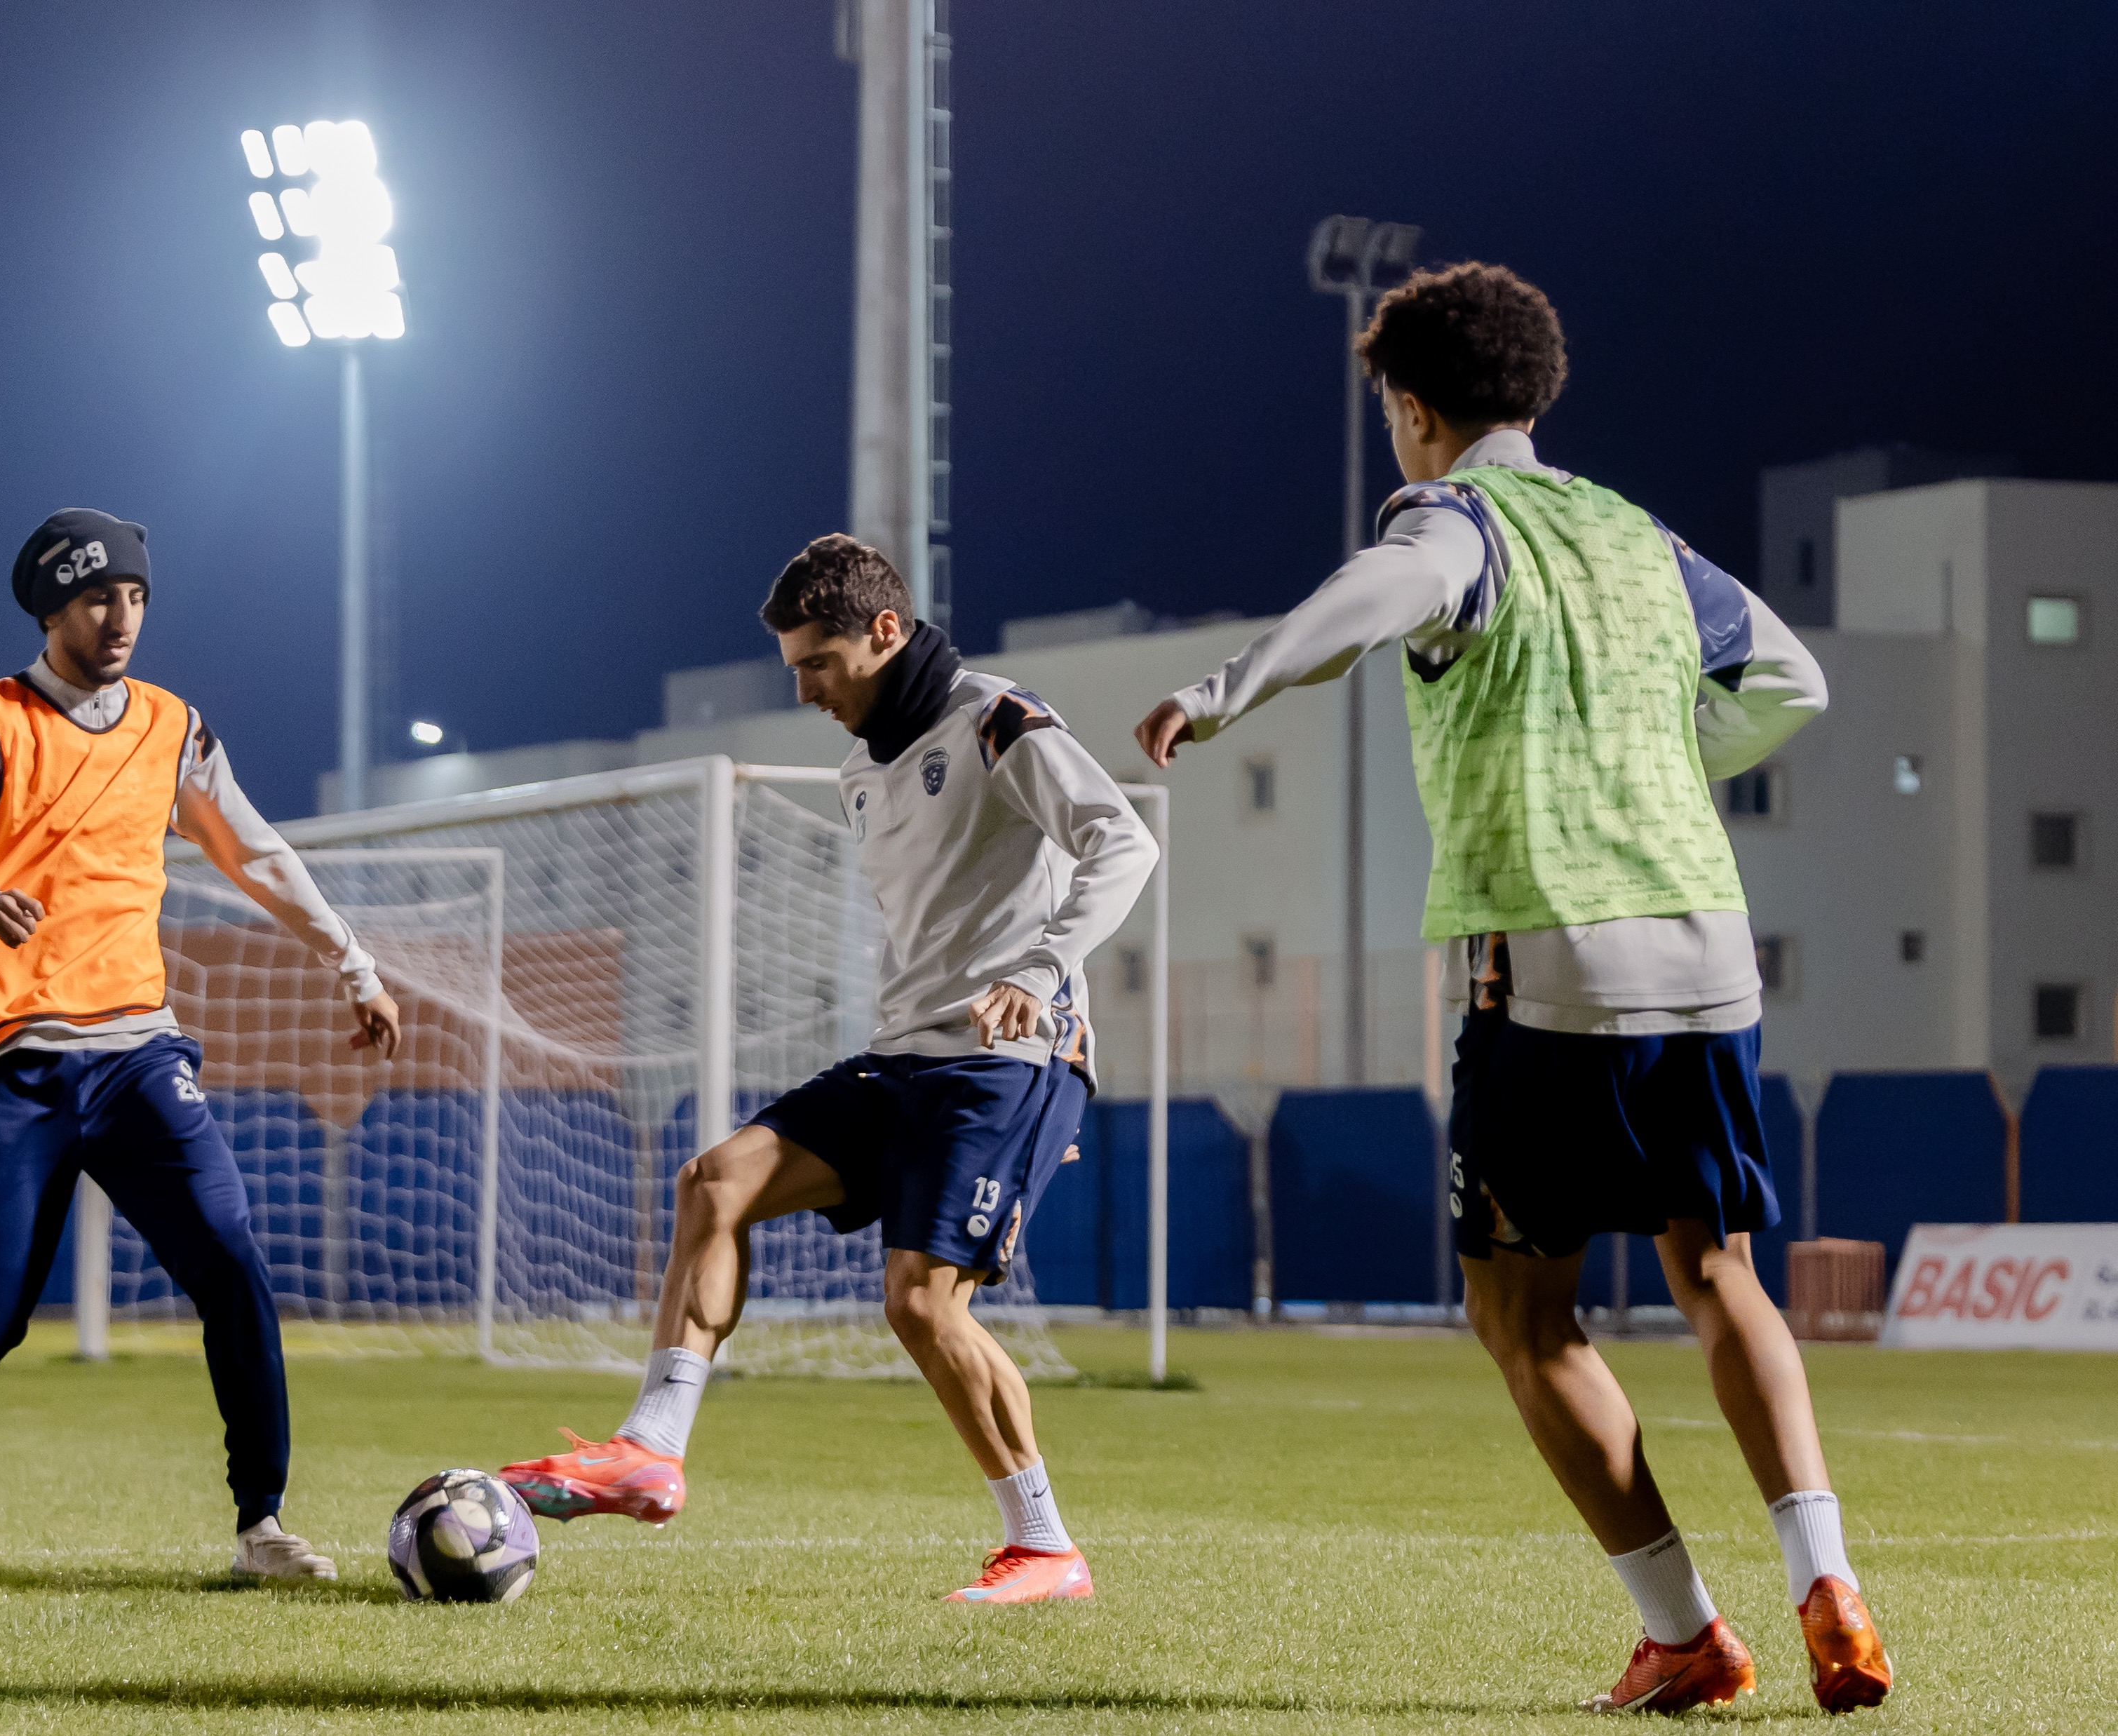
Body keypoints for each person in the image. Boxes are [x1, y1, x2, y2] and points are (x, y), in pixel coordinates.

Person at [1135, 263, 1890, 1713]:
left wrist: (1224, 686)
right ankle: (1823, 1576)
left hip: (1548, 959)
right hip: (1707, 950)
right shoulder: (1636, 534)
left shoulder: (1450, 521)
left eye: (1390, 411)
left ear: (1411, 411)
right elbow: (1791, 680)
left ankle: (1680, 1627)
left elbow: (1381, 594)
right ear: (1533, 396)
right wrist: (1660, 762)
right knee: (1719, 1273)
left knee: (1523, 1316)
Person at [497, 534, 1159, 1602]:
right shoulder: (862, 768)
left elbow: (1124, 844)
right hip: (905, 1060)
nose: (804, 689)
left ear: (884, 634)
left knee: (920, 1305)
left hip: (1007, 1058)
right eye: (793, 668)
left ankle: (1044, 1546)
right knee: (716, 1181)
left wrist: (1041, 987)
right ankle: (650, 1450)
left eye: (817, 664)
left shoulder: (999, 721)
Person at [0, 508, 402, 1581]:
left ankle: (261, 1527)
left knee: (233, 1265)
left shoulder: (171, 727)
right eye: (97, 598)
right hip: (10, 1067)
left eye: (135, 597)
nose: (121, 617)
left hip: (140, 1054)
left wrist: (354, 964)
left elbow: (257, 854)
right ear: (52, 611)